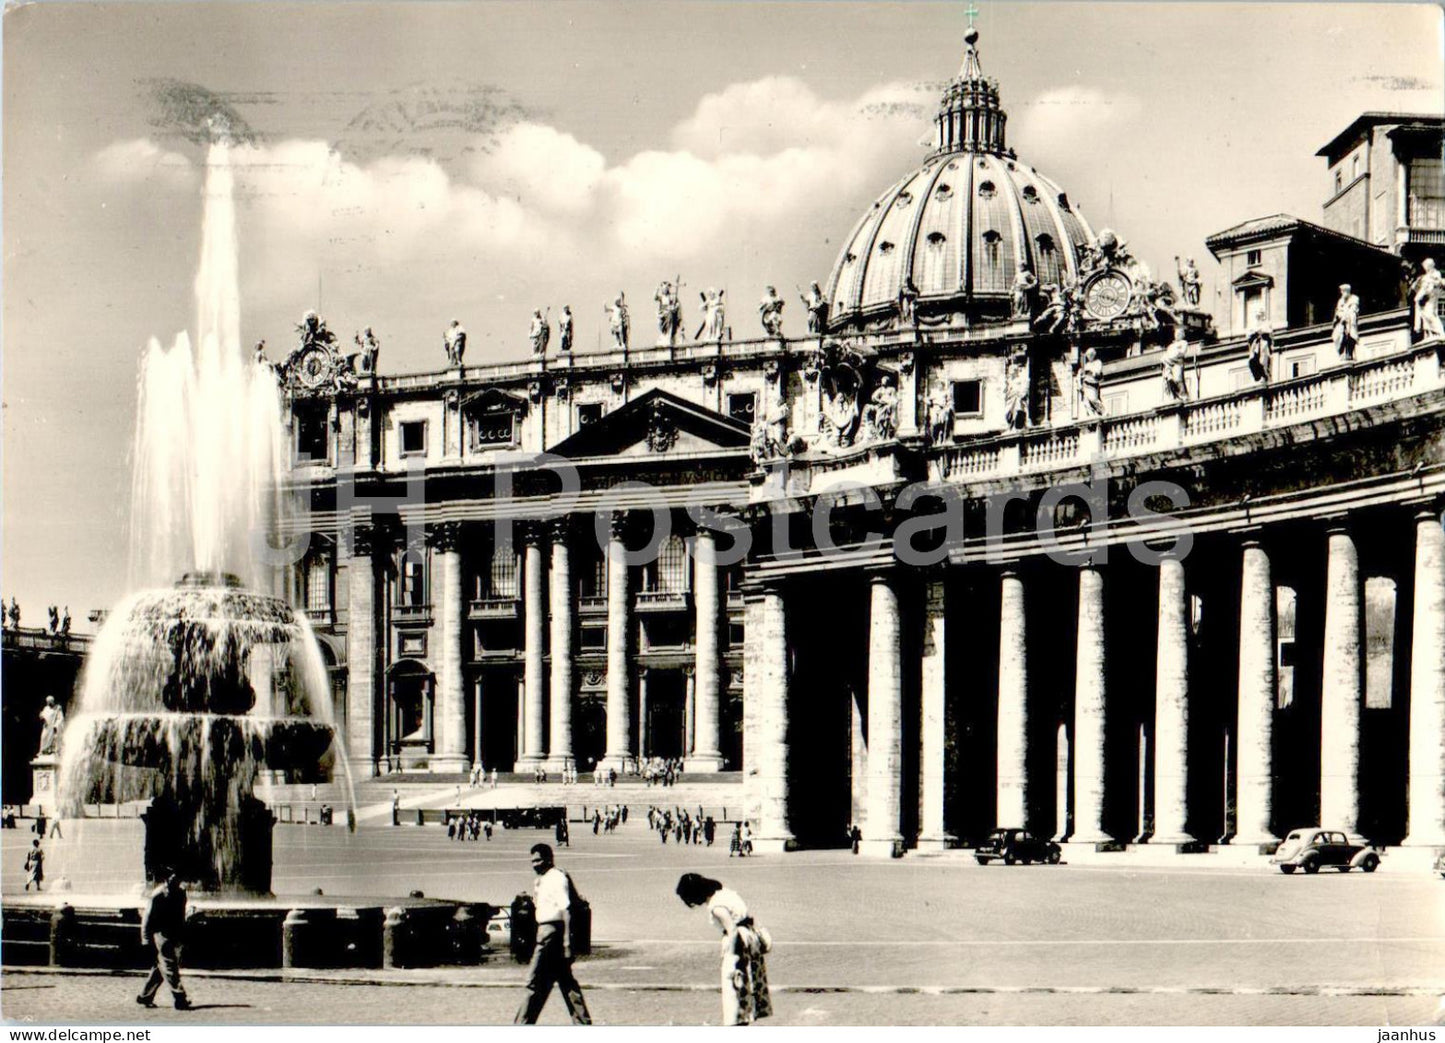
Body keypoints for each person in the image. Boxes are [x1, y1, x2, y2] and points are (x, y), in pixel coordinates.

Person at [675, 873, 773, 1026]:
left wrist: (732, 959)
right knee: (747, 987)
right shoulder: (725, 893)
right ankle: (745, 1019)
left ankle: (736, 1024)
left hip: (738, 944)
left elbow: (732, 930)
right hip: (750, 938)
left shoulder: (716, 907)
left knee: (734, 990)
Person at [514, 844, 591, 1025]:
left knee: (533, 982)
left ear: (549, 859)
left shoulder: (556, 878)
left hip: (551, 934)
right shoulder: (543, 879)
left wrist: (567, 943)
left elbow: (566, 910)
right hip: (547, 932)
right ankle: (583, 1024)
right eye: (532, 861)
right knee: (566, 982)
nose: (534, 865)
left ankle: (521, 1025)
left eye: (538, 860)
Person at [137, 868, 191, 1010]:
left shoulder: (180, 893)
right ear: (166, 878)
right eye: (171, 875)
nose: (174, 878)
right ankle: (180, 997)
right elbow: (147, 919)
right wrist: (146, 939)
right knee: (169, 964)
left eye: (177, 875)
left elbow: (181, 915)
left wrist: (181, 933)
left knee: (161, 967)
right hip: (159, 933)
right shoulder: (158, 895)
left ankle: (145, 996)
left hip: (173, 932)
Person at [1414, 258, 1444, 340]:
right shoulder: (1432, 275)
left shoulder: (1432, 276)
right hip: (1429, 299)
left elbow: (1426, 289)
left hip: (1430, 298)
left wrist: (1418, 297)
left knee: (1429, 314)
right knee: (1426, 315)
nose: (1425, 268)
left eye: (1425, 266)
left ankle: (1439, 333)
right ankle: (1429, 334)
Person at [1332, 283, 1360, 359]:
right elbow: (1338, 311)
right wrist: (1340, 316)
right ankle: (1343, 353)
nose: (1342, 293)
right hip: (1342, 323)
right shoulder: (1340, 301)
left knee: (1351, 335)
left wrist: (1347, 317)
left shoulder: (1354, 298)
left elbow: (1353, 310)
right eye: (1341, 291)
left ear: (1347, 291)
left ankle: (1349, 354)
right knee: (1339, 336)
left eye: (1343, 291)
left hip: (1350, 322)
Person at [1161, 336, 1190, 401]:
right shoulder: (1170, 346)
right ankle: (1174, 396)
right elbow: (1165, 356)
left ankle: (1182, 395)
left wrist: (1171, 357)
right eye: (1176, 333)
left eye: (1180, 333)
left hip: (1177, 363)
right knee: (1169, 379)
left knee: (1178, 379)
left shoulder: (1183, 343)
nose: (1177, 335)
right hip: (1169, 364)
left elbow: (1181, 353)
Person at [1079, 347, 1105, 417]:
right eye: (1088, 355)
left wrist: (1091, 372)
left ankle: (1103, 412)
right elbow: (1083, 374)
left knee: (1093, 399)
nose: (1089, 356)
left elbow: (1098, 372)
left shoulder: (1098, 362)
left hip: (1093, 383)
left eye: (1090, 355)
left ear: (1094, 355)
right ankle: (1092, 415)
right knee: (1086, 401)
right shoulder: (1087, 365)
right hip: (1086, 383)